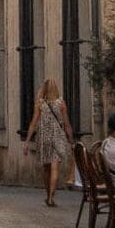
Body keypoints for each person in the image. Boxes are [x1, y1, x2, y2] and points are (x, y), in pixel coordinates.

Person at [25, 78, 74, 207]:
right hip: (57, 137)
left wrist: (27, 141)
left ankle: (48, 196)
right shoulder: (61, 103)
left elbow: (33, 123)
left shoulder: (40, 104)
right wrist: (71, 140)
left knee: (46, 168)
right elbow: (67, 123)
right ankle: (51, 196)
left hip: (44, 137)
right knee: (54, 167)